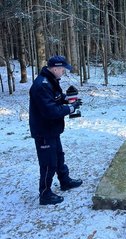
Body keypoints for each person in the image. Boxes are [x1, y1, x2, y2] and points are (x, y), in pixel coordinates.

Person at [29, 55, 83, 205]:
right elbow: (50, 111)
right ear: (55, 68)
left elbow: (56, 98)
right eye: (62, 69)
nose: (64, 72)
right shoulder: (41, 85)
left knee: (59, 156)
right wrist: (70, 108)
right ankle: (45, 194)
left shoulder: (51, 81)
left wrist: (68, 99)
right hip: (44, 131)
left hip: (52, 129)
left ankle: (64, 181)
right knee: (48, 163)